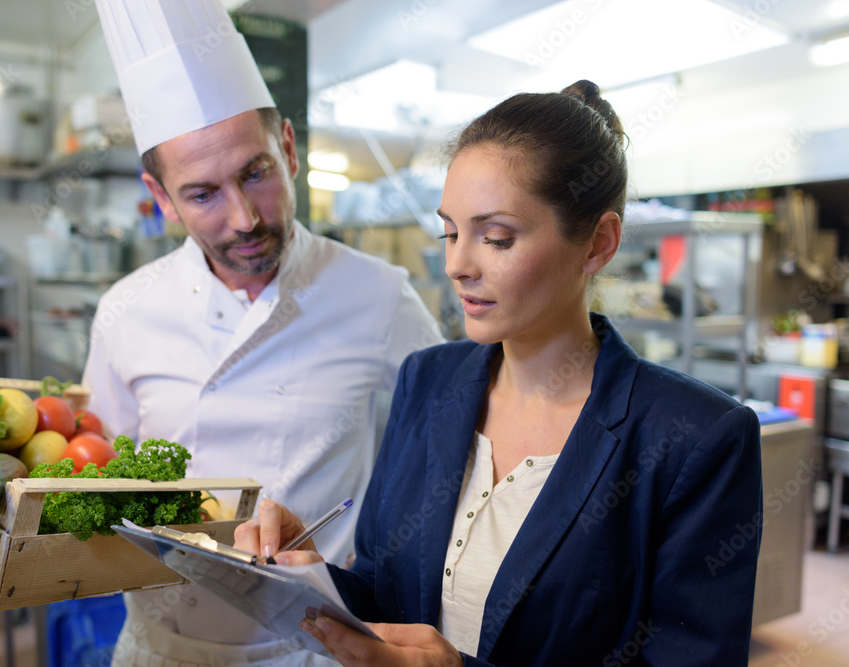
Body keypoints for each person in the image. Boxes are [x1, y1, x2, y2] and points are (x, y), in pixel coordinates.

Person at [235, 80, 763, 666]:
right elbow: (387, 590)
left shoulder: (694, 439)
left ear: (598, 244)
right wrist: (311, 576)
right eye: (451, 232)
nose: (457, 265)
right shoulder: (427, 381)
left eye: (496, 238)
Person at [84, 1, 442, 664]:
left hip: (306, 651)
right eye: (202, 194)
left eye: (255, 174)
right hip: (160, 650)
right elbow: (95, 476)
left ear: (287, 148)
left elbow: (455, 445)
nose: (245, 217)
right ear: (160, 198)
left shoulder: (379, 295)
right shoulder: (126, 311)